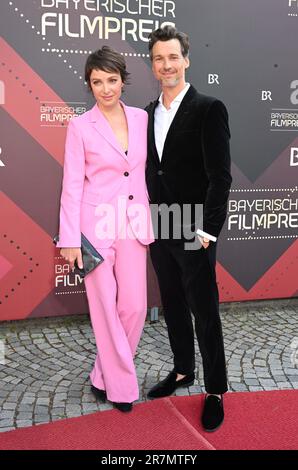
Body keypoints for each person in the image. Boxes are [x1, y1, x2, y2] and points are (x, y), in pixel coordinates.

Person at [56, 46, 153, 412]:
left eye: (111, 80)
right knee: (104, 310)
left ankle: (101, 374)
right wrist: (69, 239)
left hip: (132, 225)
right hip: (93, 228)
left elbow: (144, 171)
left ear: (122, 81)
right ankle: (121, 387)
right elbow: (72, 185)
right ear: (89, 84)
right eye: (97, 82)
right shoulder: (80, 126)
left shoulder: (142, 120)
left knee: (133, 307)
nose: (105, 88)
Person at [145, 26, 232, 431]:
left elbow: (220, 177)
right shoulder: (146, 113)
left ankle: (215, 389)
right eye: (159, 58)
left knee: (204, 310)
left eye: (173, 57)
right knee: (173, 304)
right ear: (153, 64)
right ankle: (183, 370)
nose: (167, 65)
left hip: (194, 228)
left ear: (186, 60)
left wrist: (208, 231)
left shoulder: (208, 107)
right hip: (160, 225)